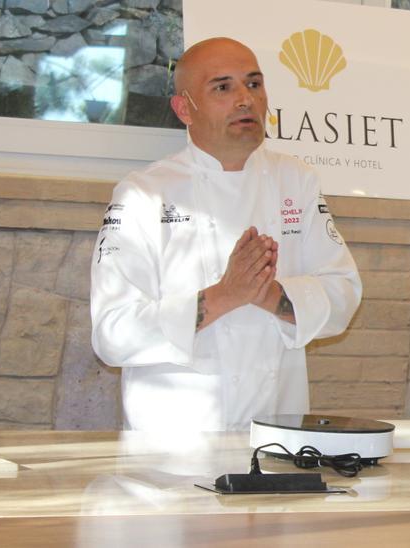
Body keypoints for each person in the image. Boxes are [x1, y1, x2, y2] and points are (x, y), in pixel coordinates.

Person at [90, 38, 362, 431]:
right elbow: (112, 333)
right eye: (223, 87)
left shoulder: (296, 181)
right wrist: (224, 296)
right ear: (185, 108)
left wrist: (267, 294)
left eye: (253, 84)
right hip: (173, 454)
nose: (245, 99)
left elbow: (344, 294)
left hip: (276, 439)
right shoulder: (143, 194)